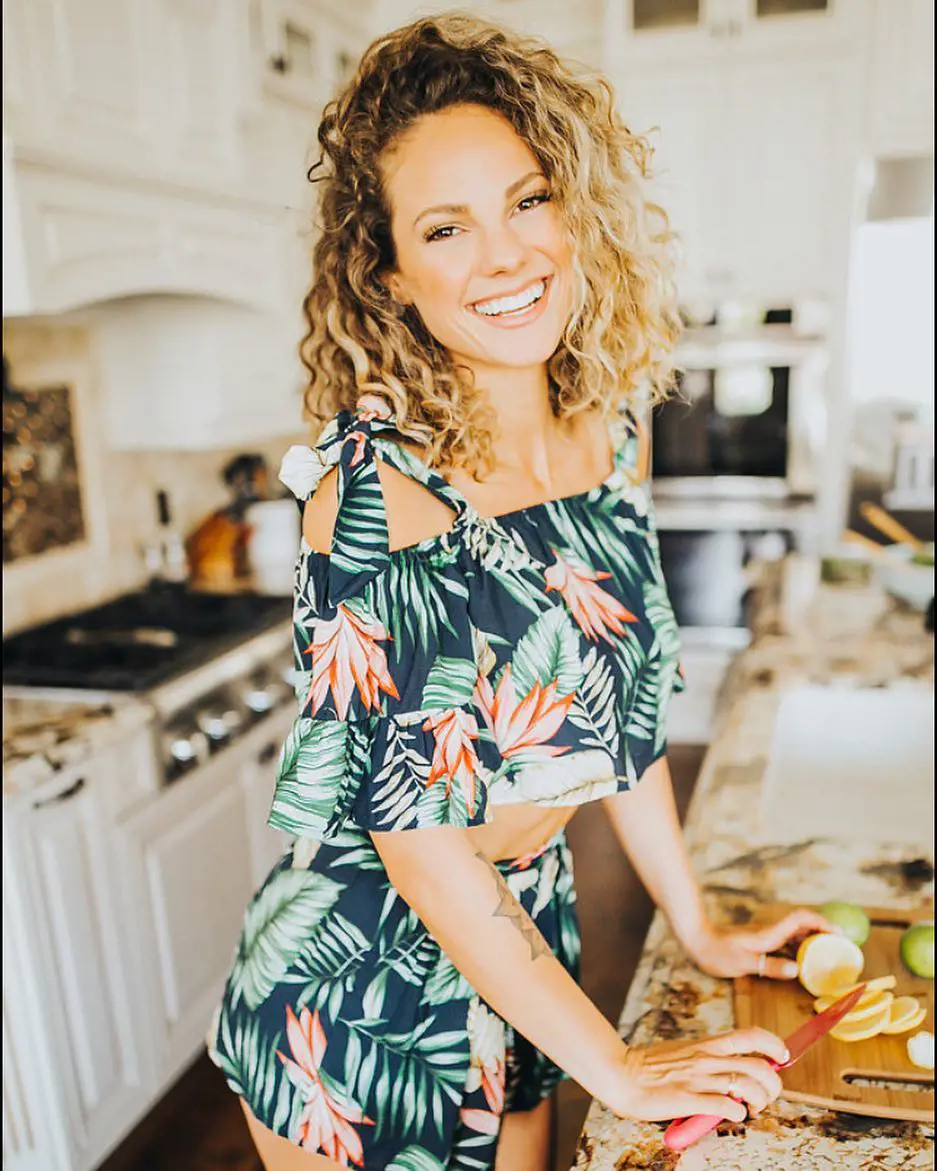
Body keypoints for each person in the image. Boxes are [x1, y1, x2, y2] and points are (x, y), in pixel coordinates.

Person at [207, 15, 834, 1170]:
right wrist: (618, 1064)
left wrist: (691, 921)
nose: (505, 256)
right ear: (389, 272)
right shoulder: (373, 491)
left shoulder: (609, 428)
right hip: (356, 996)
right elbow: (415, 837)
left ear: (574, 212)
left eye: (528, 200)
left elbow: (620, 717)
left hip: (523, 946)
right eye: (448, 227)